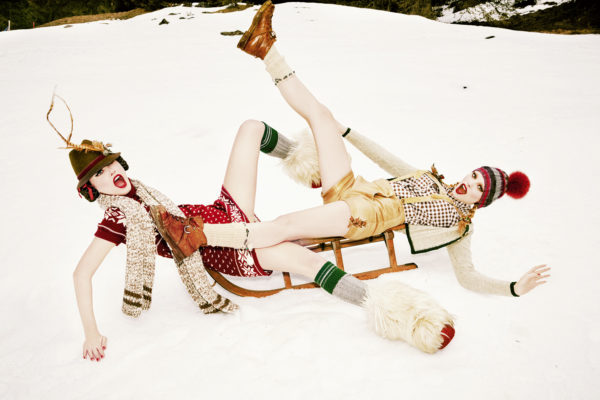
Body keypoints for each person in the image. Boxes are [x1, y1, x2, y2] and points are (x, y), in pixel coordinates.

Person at [48, 91, 455, 361]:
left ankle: (310, 167)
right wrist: (90, 333)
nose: (112, 174)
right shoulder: (119, 218)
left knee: (250, 129)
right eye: (101, 175)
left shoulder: (140, 189)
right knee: (299, 256)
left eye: (112, 164)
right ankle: (397, 312)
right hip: (227, 248)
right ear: (92, 189)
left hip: (223, 211)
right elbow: (82, 274)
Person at [232, 2, 549, 310]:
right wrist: (345, 132)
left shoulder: (459, 225)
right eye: (475, 176)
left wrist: (513, 289)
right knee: (321, 115)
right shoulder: (431, 179)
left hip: (363, 216)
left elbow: (468, 276)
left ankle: (221, 238)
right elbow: (386, 158)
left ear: (482, 201)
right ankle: (264, 47)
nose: (471, 184)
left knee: (288, 224)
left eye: (479, 188)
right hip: (353, 188)